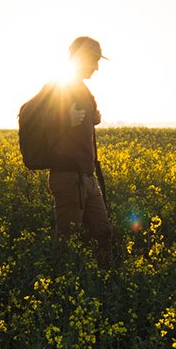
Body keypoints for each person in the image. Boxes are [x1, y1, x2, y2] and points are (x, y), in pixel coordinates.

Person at [47, 36, 113, 268]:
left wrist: (92, 119)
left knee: (103, 234)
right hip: (68, 178)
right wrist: (64, 119)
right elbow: (38, 123)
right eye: (94, 60)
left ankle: (106, 284)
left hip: (87, 178)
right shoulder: (57, 87)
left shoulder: (83, 91)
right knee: (68, 241)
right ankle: (62, 289)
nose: (96, 67)